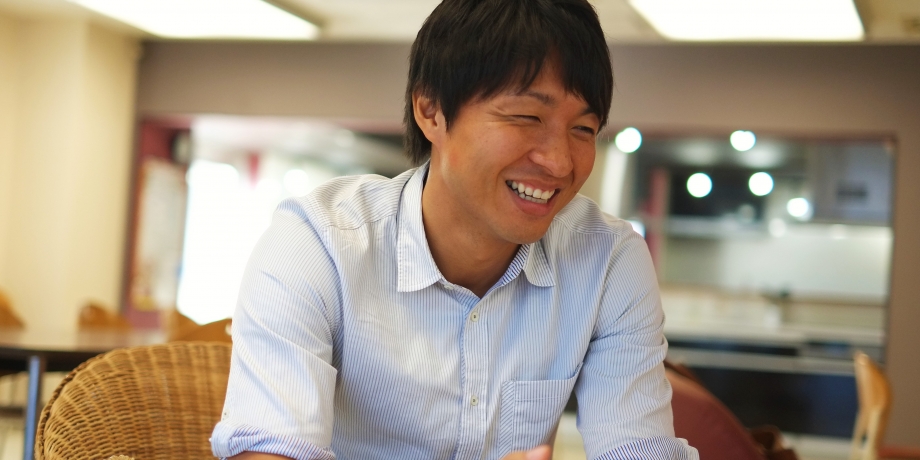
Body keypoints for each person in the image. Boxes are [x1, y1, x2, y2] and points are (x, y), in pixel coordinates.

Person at [210, 0, 698, 458]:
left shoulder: (608, 260)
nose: (559, 162)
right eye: (527, 117)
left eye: (583, 129)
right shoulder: (319, 244)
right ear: (431, 111)